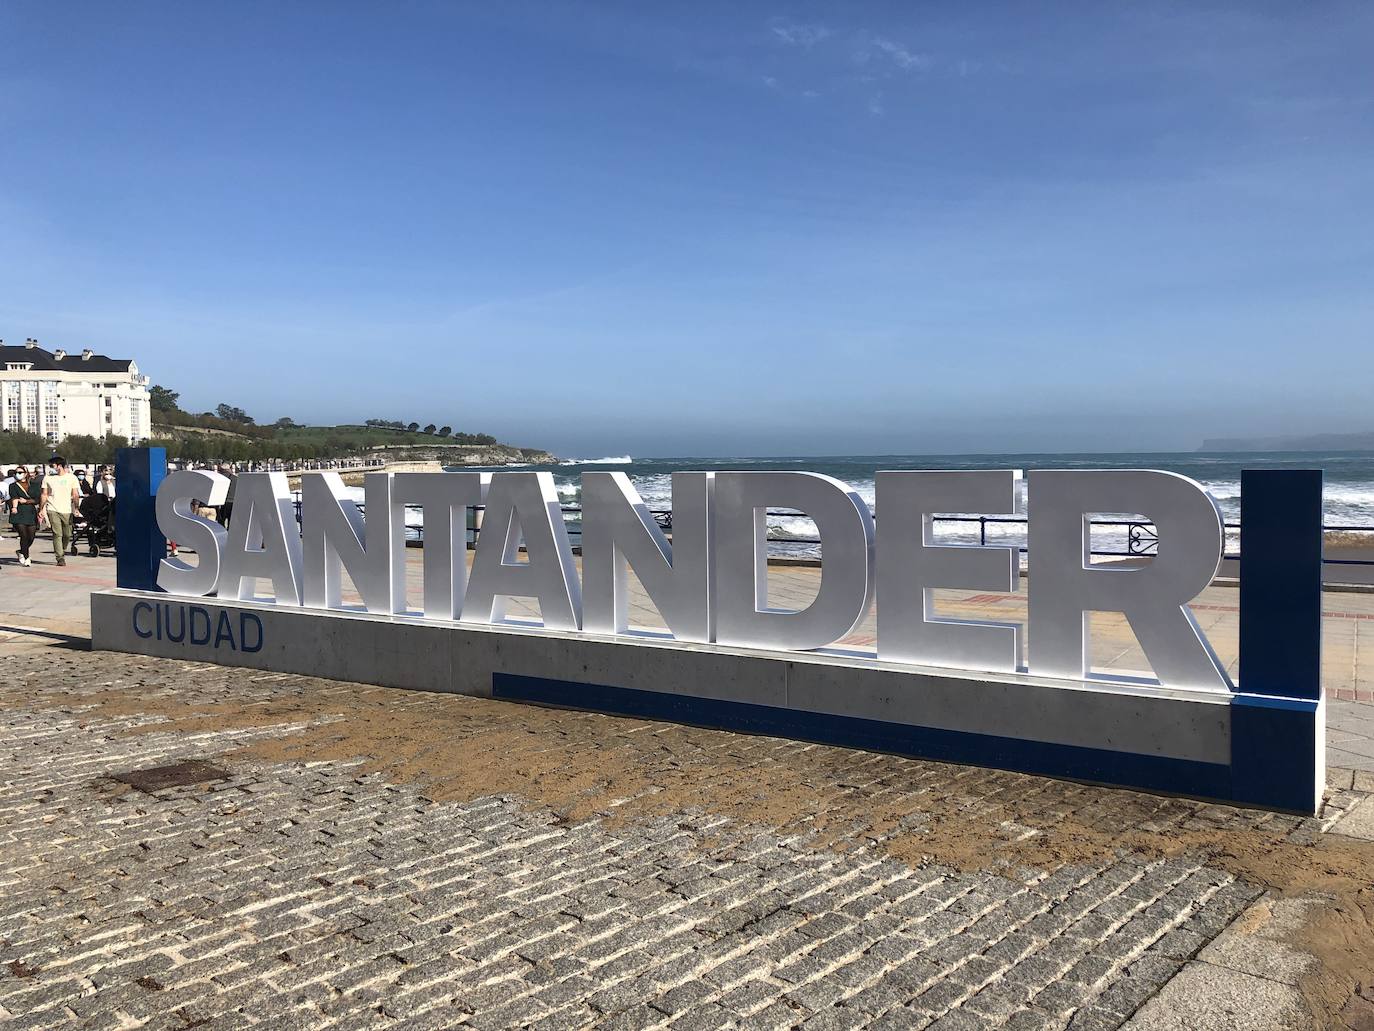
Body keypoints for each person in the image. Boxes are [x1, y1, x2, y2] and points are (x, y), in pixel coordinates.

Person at [40, 456, 81, 567]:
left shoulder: (71, 478)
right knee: (57, 534)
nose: (50, 468)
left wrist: (76, 507)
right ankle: (60, 557)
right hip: (52, 508)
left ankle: (62, 549)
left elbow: (75, 494)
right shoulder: (47, 478)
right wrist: (41, 509)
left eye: (52, 466)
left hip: (66, 510)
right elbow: (44, 494)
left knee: (67, 534)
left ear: (59, 466)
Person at [9, 467, 40, 566]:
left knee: (31, 536)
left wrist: (27, 501)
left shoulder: (34, 485)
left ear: (26, 473)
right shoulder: (13, 486)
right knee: (24, 536)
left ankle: (21, 551)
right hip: (19, 512)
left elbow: (38, 499)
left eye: (20, 472)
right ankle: (26, 557)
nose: (17, 474)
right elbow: (14, 497)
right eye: (16, 472)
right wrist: (14, 507)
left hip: (31, 512)